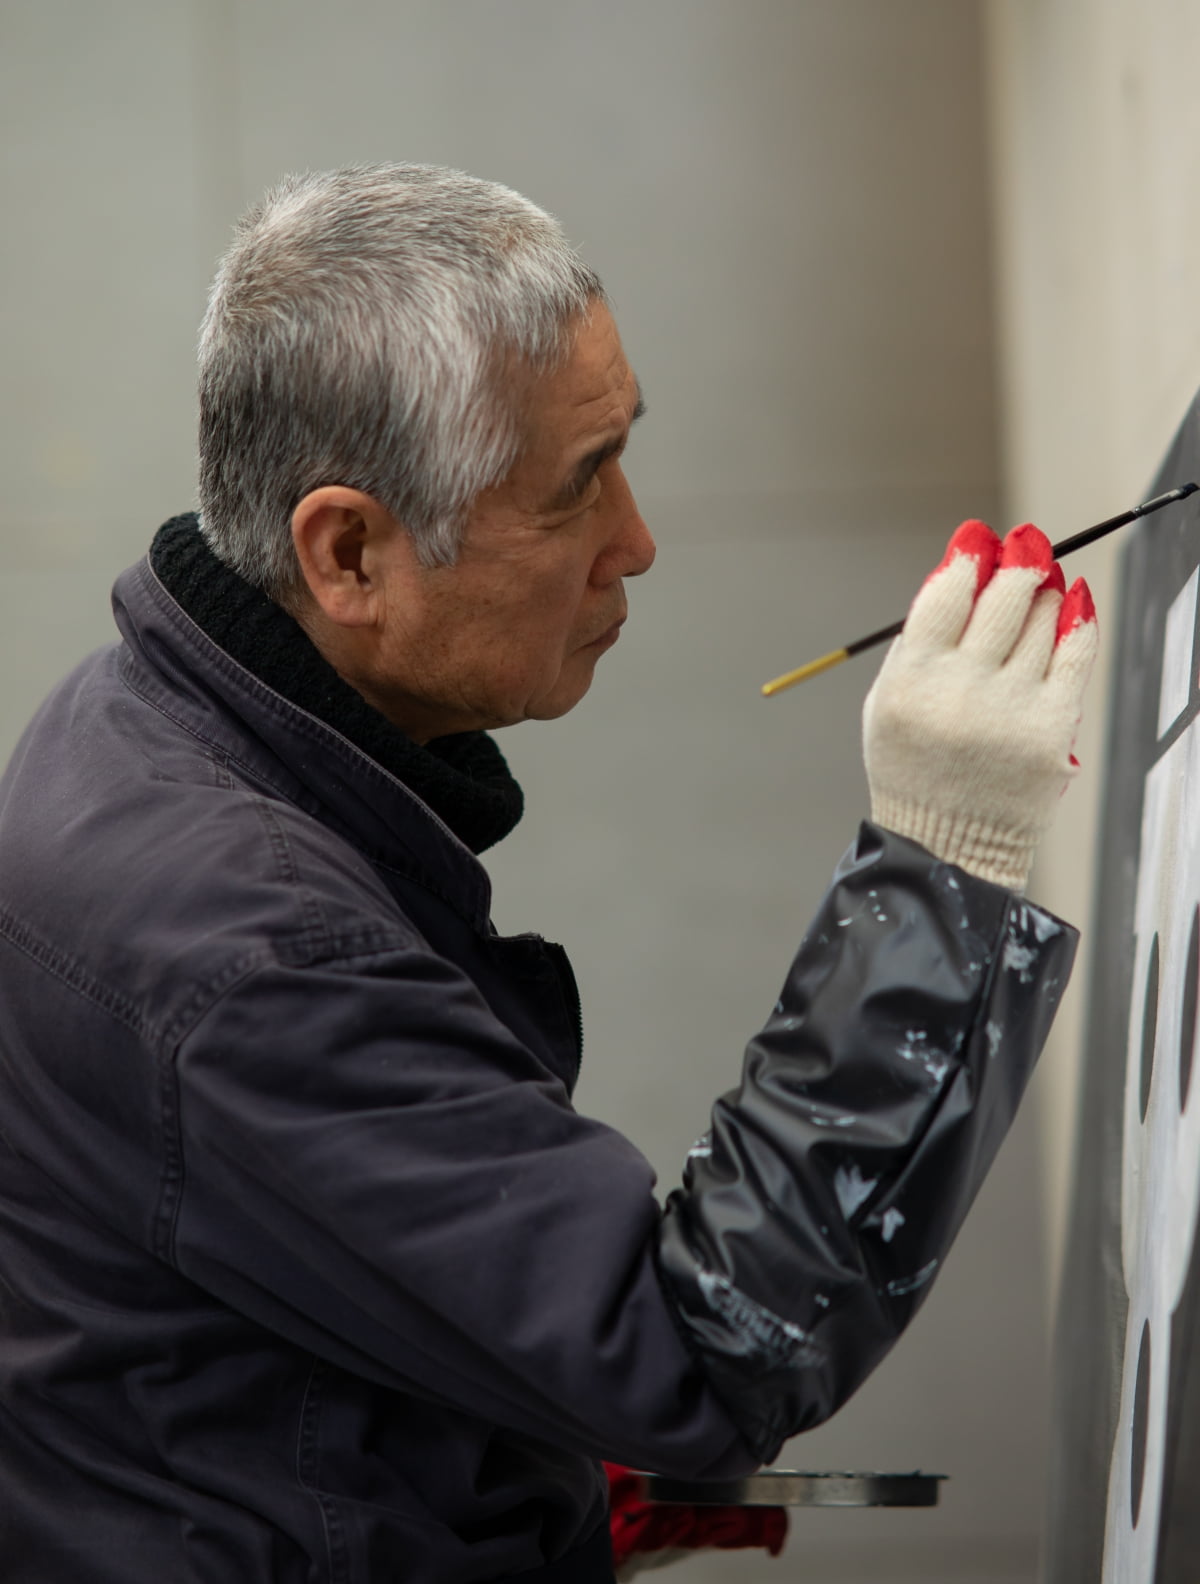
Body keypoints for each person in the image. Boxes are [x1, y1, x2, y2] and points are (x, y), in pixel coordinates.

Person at [0, 165, 1097, 1584]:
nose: (634, 544)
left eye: (622, 454)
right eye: (579, 490)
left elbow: (258, 1292)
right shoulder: (243, 946)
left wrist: (507, 1467)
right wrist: (950, 863)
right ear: (348, 553)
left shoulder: (130, 719)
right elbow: (702, 1358)